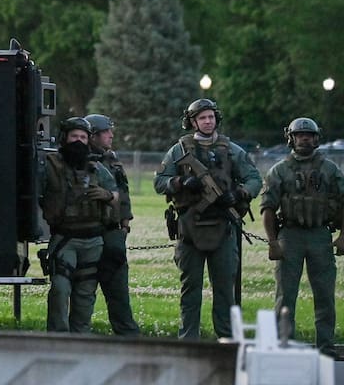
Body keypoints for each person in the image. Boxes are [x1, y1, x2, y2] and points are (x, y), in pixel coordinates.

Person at [154, 97, 261, 340]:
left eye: (211, 117)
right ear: (192, 122)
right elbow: (159, 182)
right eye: (202, 118)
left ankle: (226, 340)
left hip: (223, 225)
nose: (208, 121)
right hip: (189, 227)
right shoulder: (179, 150)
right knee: (190, 289)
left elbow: (255, 179)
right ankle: (188, 341)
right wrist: (181, 182)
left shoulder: (232, 150)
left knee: (225, 290)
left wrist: (239, 194)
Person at [258, 117, 344, 353]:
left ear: (316, 139)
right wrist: (273, 242)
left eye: (309, 135)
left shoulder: (330, 170)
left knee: (325, 295)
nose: (304, 139)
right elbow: (267, 208)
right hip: (290, 236)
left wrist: (343, 236)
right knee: (285, 295)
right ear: (291, 139)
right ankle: (283, 345)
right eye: (299, 135)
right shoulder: (279, 170)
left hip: (320, 236)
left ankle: (326, 347)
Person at [40, 116, 117, 333]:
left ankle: (80, 339)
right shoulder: (50, 166)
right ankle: (58, 338)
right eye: (74, 136)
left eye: (83, 137)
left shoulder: (96, 167)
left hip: (93, 240)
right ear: (64, 138)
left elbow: (116, 195)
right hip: (65, 239)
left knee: (85, 295)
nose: (79, 141)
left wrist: (106, 195)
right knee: (60, 289)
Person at [85, 113, 141, 336]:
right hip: (87, 234)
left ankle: (128, 338)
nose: (111, 135)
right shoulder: (78, 162)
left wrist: (124, 227)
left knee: (119, 293)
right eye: (106, 131)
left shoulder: (112, 161)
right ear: (93, 136)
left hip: (113, 233)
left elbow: (124, 196)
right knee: (84, 294)